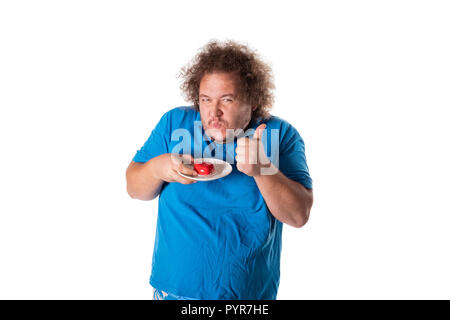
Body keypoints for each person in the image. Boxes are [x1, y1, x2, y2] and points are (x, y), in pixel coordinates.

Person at [126, 40, 313, 300]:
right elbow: (134, 188)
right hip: (174, 292)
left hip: (247, 296)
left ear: (253, 100)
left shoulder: (280, 135)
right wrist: (159, 167)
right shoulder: (174, 123)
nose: (214, 112)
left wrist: (262, 169)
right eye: (205, 100)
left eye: (227, 99)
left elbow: (298, 215)